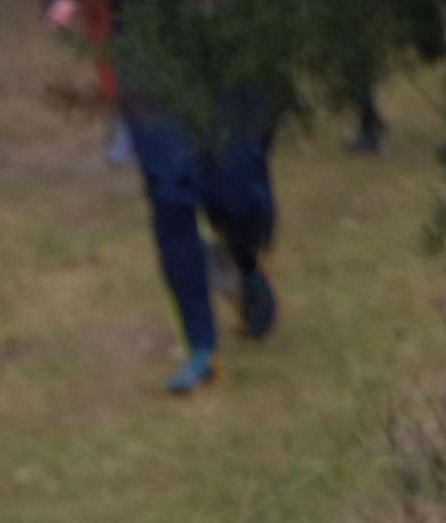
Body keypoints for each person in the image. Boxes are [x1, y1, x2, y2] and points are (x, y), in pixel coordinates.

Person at [46, 0, 279, 395]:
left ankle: (245, 259)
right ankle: (201, 348)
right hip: (143, 43)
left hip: (226, 37)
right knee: (170, 191)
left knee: (236, 191)